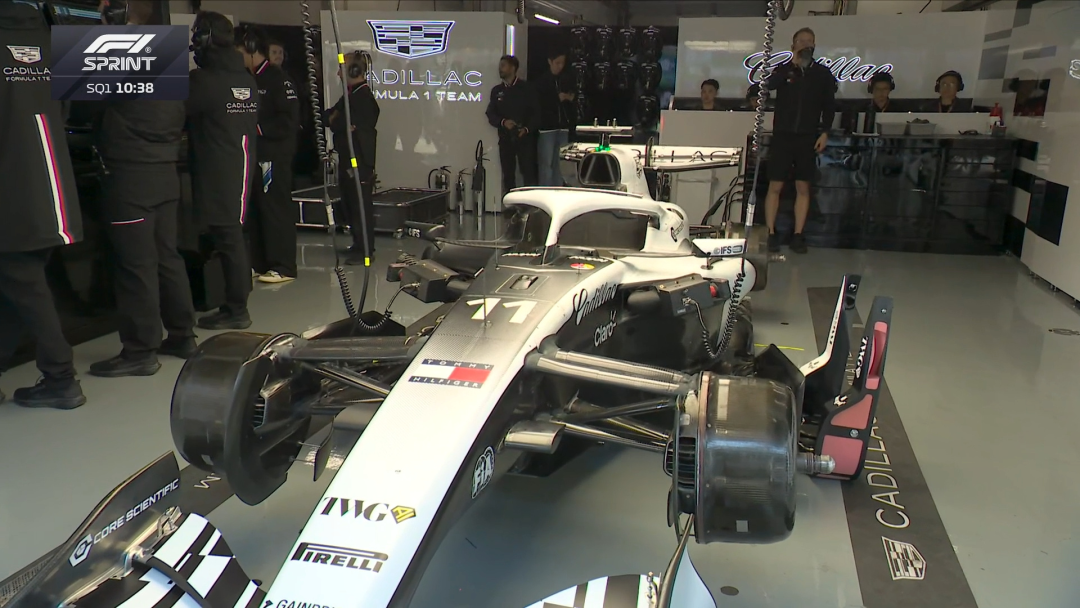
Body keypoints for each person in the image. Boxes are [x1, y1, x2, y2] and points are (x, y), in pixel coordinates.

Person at [88, 0, 198, 378]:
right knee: (167, 256)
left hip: (130, 176)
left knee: (135, 266)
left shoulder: (111, 53)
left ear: (116, 11)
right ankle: (182, 334)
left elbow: (79, 107)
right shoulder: (165, 52)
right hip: (165, 173)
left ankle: (139, 350)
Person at [0, 0, 86, 409]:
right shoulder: (55, 43)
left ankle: (61, 377)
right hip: (55, 189)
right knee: (17, 285)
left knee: (23, 283)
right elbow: (68, 111)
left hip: (13, 190)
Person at [186, 11, 259, 330]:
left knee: (229, 239)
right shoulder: (245, 79)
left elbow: (172, 113)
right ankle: (235, 305)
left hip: (218, 169)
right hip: (239, 165)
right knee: (233, 238)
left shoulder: (203, 81)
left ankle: (237, 310)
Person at [235, 24, 300, 284]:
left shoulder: (278, 79)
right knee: (256, 208)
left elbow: (290, 120)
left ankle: (284, 265)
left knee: (275, 207)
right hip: (253, 154)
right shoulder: (246, 78)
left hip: (274, 155)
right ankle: (260, 262)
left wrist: (257, 127)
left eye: (239, 52)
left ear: (251, 49)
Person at [762, 27, 837, 254]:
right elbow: (768, 86)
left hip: (807, 136)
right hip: (783, 135)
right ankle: (770, 232)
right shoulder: (784, 70)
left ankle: (798, 234)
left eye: (810, 41)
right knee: (775, 184)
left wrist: (825, 132)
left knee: (803, 186)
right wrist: (791, 66)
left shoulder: (822, 74)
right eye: (801, 40)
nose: (806, 44)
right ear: (793, 45)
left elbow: (829, 105)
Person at [328, 51, 380, 265]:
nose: (338, 74)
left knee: (360, 206)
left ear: (354, 70)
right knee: (350, 203)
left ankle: (365, 251)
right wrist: (338, 120)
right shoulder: (350, 96)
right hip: (347, 157)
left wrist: (338, 121)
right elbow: (331, 117)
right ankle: (359, 244)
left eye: (341, 69)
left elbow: (339, 122)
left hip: (359, 161)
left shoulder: (363, 98)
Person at [485, 55, 540, 199]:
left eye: (503, 65)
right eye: (500, 66)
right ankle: (511, 203)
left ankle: (530, 202)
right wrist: (503, 122)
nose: (500, 69)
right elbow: (491, 113)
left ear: (513, 68)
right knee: (508, 174)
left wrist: (526, 129)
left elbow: (537, 113)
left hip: (525, 138)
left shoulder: (526, 88)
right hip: (505, 138)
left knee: (528, 172)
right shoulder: (497, 91)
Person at [535, 50, 574, 187]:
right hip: (547, 127)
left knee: (561, 163)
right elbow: (539, 103)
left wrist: (569, 98)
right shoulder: (542, 82)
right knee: (546, 163)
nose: (560, 66)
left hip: (563, 126)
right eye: (557, 63)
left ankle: (558, 189)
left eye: (562, 63)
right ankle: (546, 190)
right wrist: (557, 99)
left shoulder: (566, 79)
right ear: (550, 62)